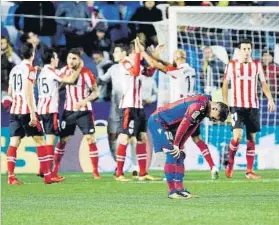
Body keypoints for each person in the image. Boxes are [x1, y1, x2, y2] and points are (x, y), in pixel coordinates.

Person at [142, 42, 219, 179]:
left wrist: (142, 52)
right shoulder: (191, 70)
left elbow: (156, 66)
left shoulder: (177, 72)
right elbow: (167, 65)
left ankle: (172, 173)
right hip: (196, 109)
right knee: (197, 139)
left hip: (181, 111)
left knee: (173, 143)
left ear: (176, 58)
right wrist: (158, 57)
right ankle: (213, 166)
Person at [148, 94, 229, 199]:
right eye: (215, 118)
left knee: (180, 155)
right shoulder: (199, 106)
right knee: (172, 153)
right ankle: (172, 192)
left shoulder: (204, 109)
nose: (213, 120)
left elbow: (191, 129)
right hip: (158, 120)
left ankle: (180, 190)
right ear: (214, 108)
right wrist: (176, 144)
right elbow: (184, 124)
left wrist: (180, 145)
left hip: (169, 125)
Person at [222, 39, 275, 179]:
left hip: (253, 106)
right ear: (239, 50)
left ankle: (249, 171)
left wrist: (270, 98)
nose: (246, 51)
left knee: (251, 138)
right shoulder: (231, 65)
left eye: (248, 49)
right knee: (237, 137)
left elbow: (263, 83)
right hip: (236, 106)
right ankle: (230, 163)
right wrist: (225, 103)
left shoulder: (257, 65)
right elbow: (225, 84)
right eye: (244, 49)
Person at [6, 43, 54, 185]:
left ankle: (11, 177)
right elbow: (28, 91)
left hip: (15, 110)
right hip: (27, 110)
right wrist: (33, 114)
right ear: (33, 54)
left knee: (14, 142)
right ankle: (47, 176)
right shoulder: (30, 69)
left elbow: (10, 92)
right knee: (40, 141)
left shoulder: (14, 69)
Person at [51, 48, 100, 179]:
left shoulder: (87, 73)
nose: (71, 61)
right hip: (69, 111)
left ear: (80, 59)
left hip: (84, 112)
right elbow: (56, 84)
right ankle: (55, 171)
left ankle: (95, 172)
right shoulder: (63, 71)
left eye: (74, 58)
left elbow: (96, 92)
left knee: (90, 138)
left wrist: (85, 100)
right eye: (69, 58)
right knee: (62, 140)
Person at [115, 39, 158, 181]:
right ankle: (119, 173)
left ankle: (143, 173)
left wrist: (155, 56)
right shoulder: (125, 63)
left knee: (142, 137)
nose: (115, 54)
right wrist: (140, 54)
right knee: (125, 137)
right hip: (128, 106)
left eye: (117, 51)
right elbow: (134, 72)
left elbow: (150, 71)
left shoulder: (136, 64)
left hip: (138, 107)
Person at [37, 48, 83, 181]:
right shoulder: (52, 72)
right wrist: (79, 67)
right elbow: (71, 80)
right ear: (51, 59)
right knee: (50, 142)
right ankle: (48, 174)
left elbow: (57, 84)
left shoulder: (42, 72)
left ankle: (43, 170)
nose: (57, 60)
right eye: (56, 58)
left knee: (45, 141)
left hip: (41, 109)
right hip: (50, 110)